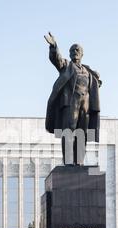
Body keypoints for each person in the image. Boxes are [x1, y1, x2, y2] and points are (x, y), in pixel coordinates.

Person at [44, 32, 102, 166]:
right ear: (69, 54)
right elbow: (56, 59)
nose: (74, 52)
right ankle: (69, 162)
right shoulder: (66, 66)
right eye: (72, 50)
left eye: (77, 50)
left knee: (82, 133)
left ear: (82, 54)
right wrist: (54, 46)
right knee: (68, 132)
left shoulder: (88, 71)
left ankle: (79, 161)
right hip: (70, 104)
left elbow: (95, 84)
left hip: (85, 106)